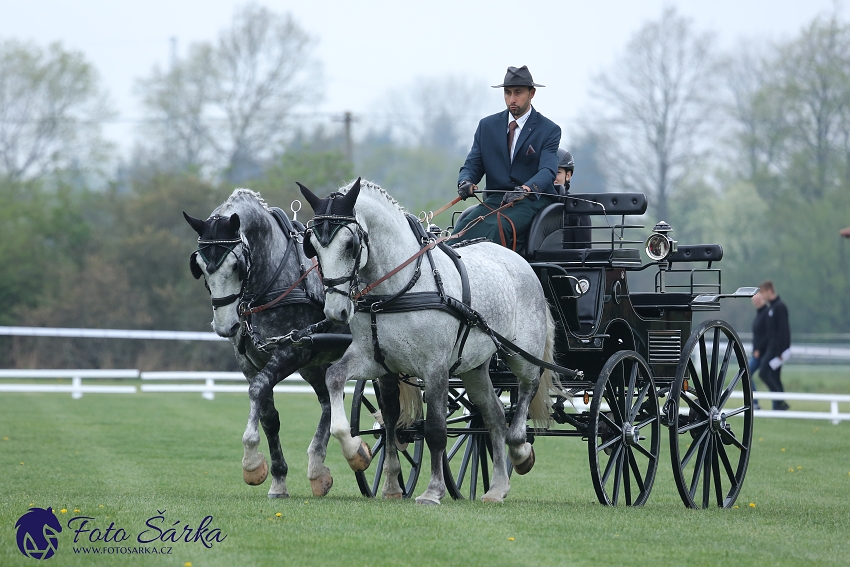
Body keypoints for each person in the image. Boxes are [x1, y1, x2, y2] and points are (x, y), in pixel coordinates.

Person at [452, 65, 561, 252]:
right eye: (507, 93)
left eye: (518, 93)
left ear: (532, 93)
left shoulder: (549, 130)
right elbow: (473, 164)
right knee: (461, 231)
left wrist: (526, 189)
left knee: (497, 228)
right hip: (495, 200)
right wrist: (465, 181)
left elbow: (548, 171)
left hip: (531, 201)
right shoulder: (487, 126)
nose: (512, 99)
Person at [759, 281, 791, 410]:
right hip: (771, 348)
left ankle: (780, 400)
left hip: (777, 350)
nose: (762, 296)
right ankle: (779, 405)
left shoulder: (779, 306)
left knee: (764, 373)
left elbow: (784, 330)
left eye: (762, 292)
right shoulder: (771, 308)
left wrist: (781, 351)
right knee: (775, 376)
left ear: (769, 291)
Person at [557, 149, 592, 249]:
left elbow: (584, 249)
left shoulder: (578, 208)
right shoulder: (531, 204)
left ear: (568, 175)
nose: (552, 177)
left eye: (557, 172)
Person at [749, 290, 769, 410]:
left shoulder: (766, 313)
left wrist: (759, 350)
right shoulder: (759, 314)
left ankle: (777, 403)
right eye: (754, 300)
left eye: (758, 299)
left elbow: (767, 334)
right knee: (747, 374)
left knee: (748, 373)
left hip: (763, 353)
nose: (756, 302)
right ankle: (755, 402)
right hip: (757, 352)